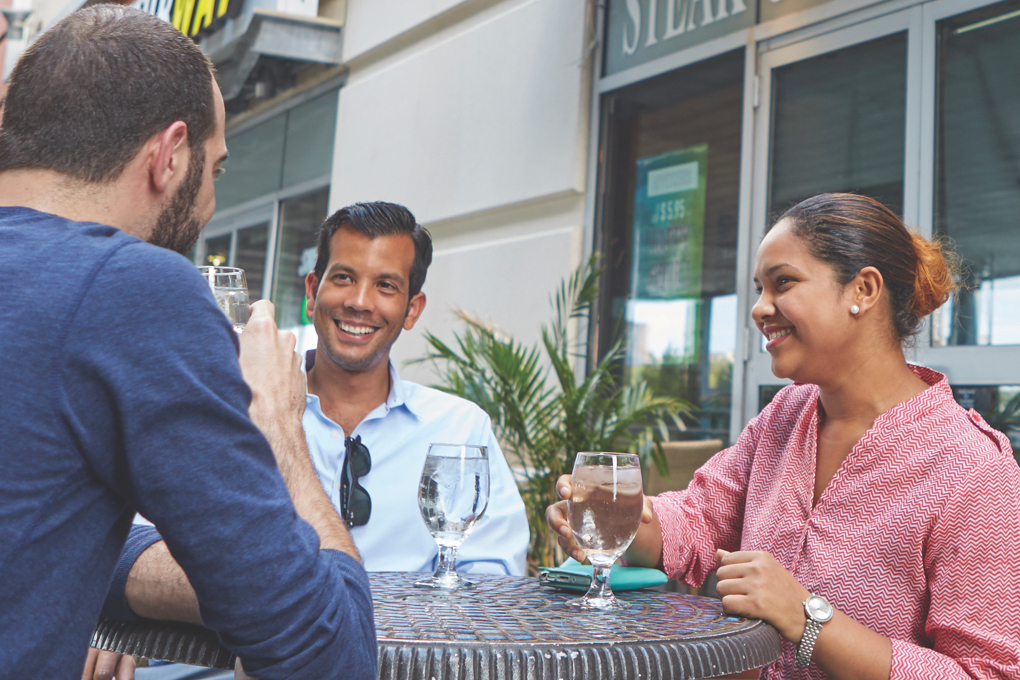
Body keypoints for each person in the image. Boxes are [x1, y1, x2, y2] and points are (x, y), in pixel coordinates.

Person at [0, 6, 375, 680]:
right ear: (169, 156)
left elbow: (34, 532)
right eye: (216, 170)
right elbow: (326, 654)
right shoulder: (132, 289)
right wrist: (279, 422)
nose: (208, 207)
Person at [547, 193, 1020, 679]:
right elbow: (698, 521)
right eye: (758, 288)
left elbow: (989, 673)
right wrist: (618, 513)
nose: (758, 308)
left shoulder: (974, 473)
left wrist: (807, 617)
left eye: (783, 283)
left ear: (863, 289)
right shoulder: (787, 416)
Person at [89, 203, 529, 678]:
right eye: (343, 277)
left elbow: (495, 589)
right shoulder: (234, 403)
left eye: (386, 285)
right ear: (312, 289)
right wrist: (115, 622)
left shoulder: (460, 428)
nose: (360, 301)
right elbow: (131, 535)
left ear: (411, 309)